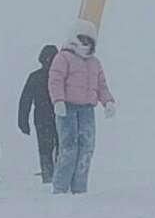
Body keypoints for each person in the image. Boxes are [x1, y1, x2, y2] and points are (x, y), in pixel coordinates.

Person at [48, 20, 116, 195]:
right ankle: (60, 188)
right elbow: (55, 80)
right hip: (67, 109)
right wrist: (58, 101)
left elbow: (101, 85)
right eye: (82, 38)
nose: (85, 43)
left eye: (89, 40)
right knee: (69, 148)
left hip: (87, 110)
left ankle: (79, 188)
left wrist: (108, 101)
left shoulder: (95, 63)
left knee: (86, 148)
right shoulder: (63, 58)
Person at [19, 44, 59, 183]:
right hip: (50, 118)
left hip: (52, 118)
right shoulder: (37, 77)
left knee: (50, 149)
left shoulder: (59, 77)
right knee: (52, 148)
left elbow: (25, 100)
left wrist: (23, 121)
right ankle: (52, 176)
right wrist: (23, 121)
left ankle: (52, 176)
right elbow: (25, 100)